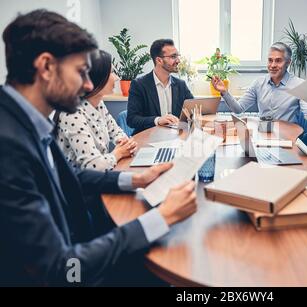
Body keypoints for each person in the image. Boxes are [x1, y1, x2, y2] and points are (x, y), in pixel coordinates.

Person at [0, 9, 197, 286]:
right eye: (81, 72)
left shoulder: (24, 120)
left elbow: (68, 175)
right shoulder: (8, 146)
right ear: (45, 67)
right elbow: (62, 270)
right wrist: (161, 217)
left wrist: (136, 178)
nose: (89, 84)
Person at [211, 42, 307, 137]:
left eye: (278, 60)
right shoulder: (258, 83)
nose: (272, 65)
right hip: (262, 137)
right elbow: (238, 109)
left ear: (288, 62)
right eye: (270, 60)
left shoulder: (300, 85)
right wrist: (224, 91)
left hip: (287, 140)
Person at [56, 49, 137, 171]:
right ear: (97, 77)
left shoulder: (99, 104)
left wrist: (125, 144)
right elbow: (94, 166)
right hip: (80, 185)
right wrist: (119, 153)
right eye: (112, 72)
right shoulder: (71, 113)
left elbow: (117, 133)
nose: (117, 78)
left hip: (101, 177)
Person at [126, 39, 194, 135]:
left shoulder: (180, 85)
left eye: (177, 56)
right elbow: (132, 119)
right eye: (173, 57)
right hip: (148, 139)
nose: (178, 60)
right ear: (159, 60)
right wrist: (157, 120)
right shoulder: (139, 85)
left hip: (176, 138)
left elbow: (193, 109)